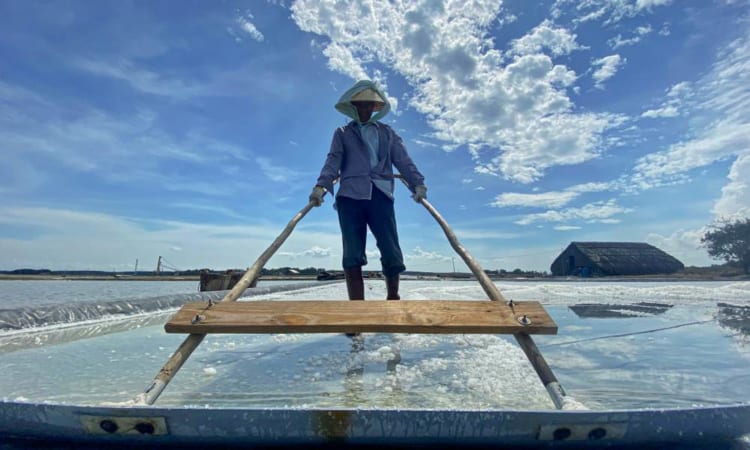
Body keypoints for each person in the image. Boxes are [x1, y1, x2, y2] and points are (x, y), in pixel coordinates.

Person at [310, 80, 427, 301]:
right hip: (350, 197)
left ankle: (393, 300)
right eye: (360, 105)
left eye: (368, 105)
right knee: (352, 253)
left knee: (391, 250)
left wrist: (417, 184)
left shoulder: (387, 133)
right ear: (353, 107)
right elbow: (332, 162)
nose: (364, 110)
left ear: (376, 108)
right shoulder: (343, 133)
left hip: (381, 194)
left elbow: (403, 161)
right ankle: (357, 311)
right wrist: (321, 187)